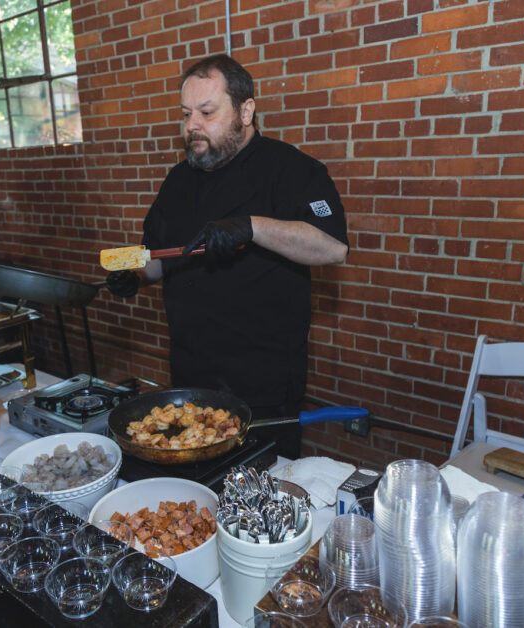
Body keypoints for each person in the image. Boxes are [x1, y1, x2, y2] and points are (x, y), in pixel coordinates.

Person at [106, 54, 349, 458]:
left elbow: (333, 246)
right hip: (189, 375)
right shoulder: (179, 179)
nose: (191, 126)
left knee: (262, 491)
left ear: (246, 110)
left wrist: (253, 226)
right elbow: (157, 254)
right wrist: (133, 274)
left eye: (206, 112)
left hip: (263, 380)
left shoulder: (294, 170)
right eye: (186, 114)